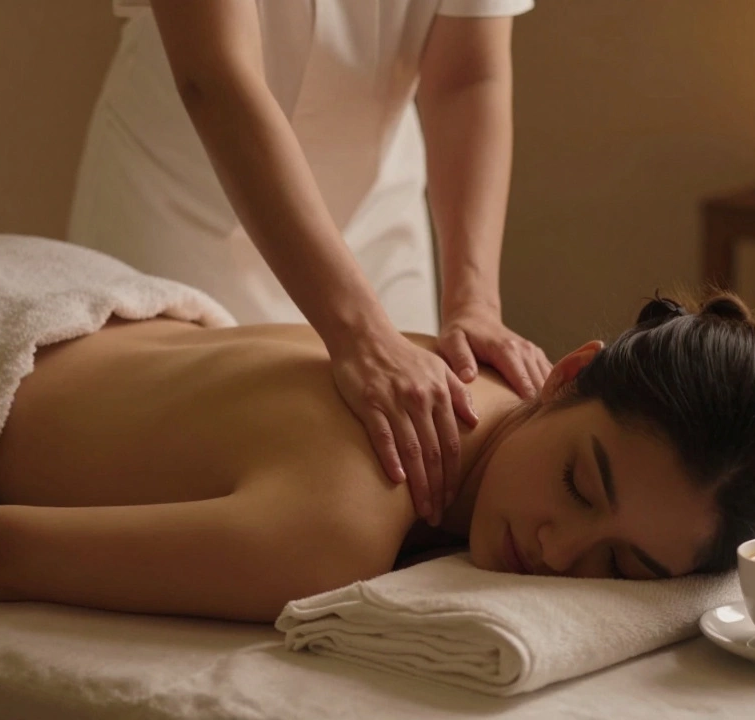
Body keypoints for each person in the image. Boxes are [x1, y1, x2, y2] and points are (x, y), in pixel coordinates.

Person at [0, 291, 755, 624]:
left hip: (69, 296)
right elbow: (9, 553)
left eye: (621, 567)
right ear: (568, 372)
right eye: (582, 485)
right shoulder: (333, 527)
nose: (559, 549)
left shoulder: (474, 371)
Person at [67, 1, 551, 520]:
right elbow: (216, 76)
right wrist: (361, 333)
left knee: (396, 494)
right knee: (161, 494)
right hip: (183, 197)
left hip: (376, 218)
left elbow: (466, 78)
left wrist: (474, 302)